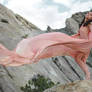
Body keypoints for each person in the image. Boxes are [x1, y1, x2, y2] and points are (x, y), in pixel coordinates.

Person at [0, 12, 92, 80]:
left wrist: (87, 42)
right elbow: (80, 34)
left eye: (91, 15)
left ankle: (38, 52)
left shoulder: (90, 24)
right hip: (79, 44)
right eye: (89, 13)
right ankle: (88, 76)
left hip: (83, 44)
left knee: (59, 38)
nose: (88, 14)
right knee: (78, 59)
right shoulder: (84, 24)